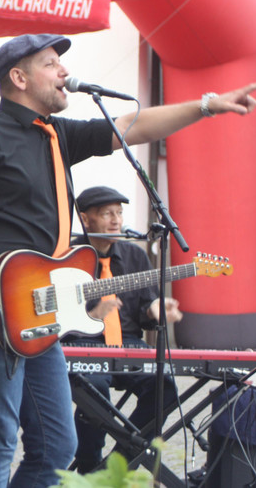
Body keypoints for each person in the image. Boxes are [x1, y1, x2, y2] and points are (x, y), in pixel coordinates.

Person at [0, 33, 256, 487]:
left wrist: (206, 106)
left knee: (56, 446)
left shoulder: (57, 136)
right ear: (19, 77)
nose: (64, 71)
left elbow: (134, 126)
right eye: (51, 64)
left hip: (37, 305)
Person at [64, 185, 182, 474]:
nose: (116, 220)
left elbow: (146, 307)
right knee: (94, 389)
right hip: (82, 344)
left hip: (128, 343)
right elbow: (56, 314)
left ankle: (115, 466)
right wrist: (93, 314)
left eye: (119, 213)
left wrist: (155, 310)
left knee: (164, 387)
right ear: (85, 219)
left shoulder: (134, 256)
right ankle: (89, 463)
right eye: (107, 213)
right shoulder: (66, 256)